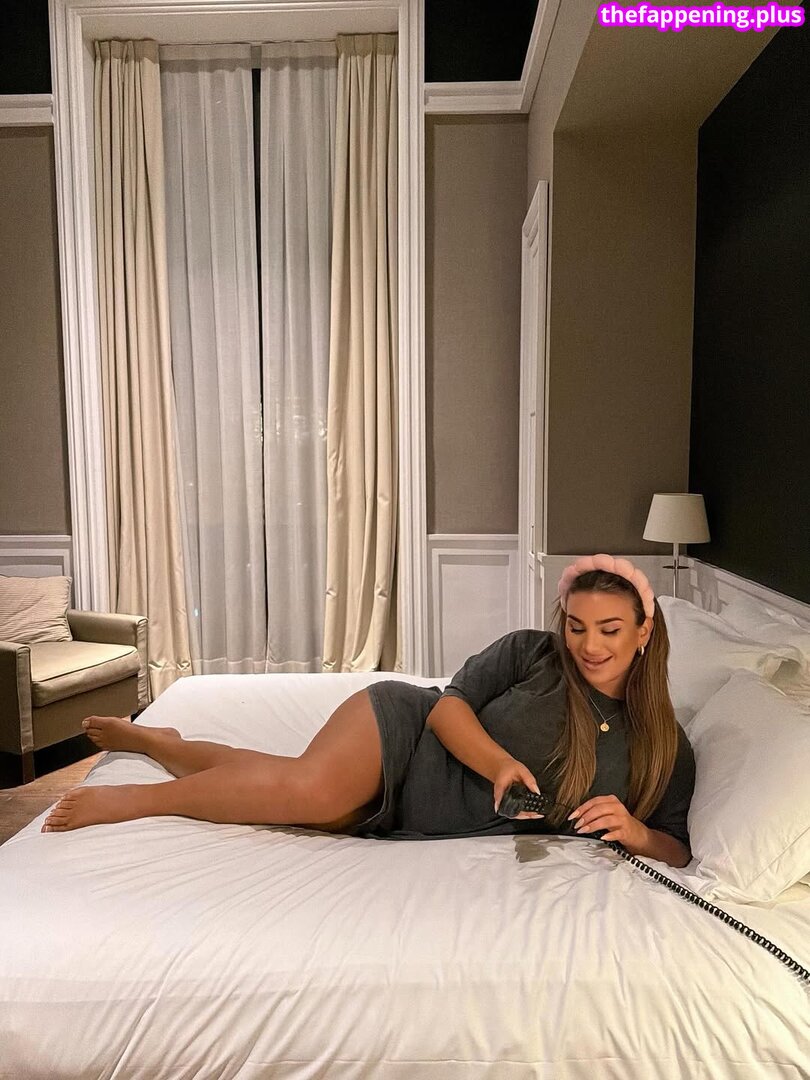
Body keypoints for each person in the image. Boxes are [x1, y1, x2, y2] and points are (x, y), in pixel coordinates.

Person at [41, 554, 696, 869]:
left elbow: (676, 848)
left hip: (414, 815)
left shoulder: (665, 746)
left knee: (282, 786)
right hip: (405, 737)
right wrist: (500, 766)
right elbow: (447, 709)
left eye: (610, 630)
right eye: (577, 626)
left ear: (644, 632)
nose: (589, 645)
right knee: (307, 789)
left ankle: (164, 743)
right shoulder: (534, 653)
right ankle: (132, 801)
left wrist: (636, 833)